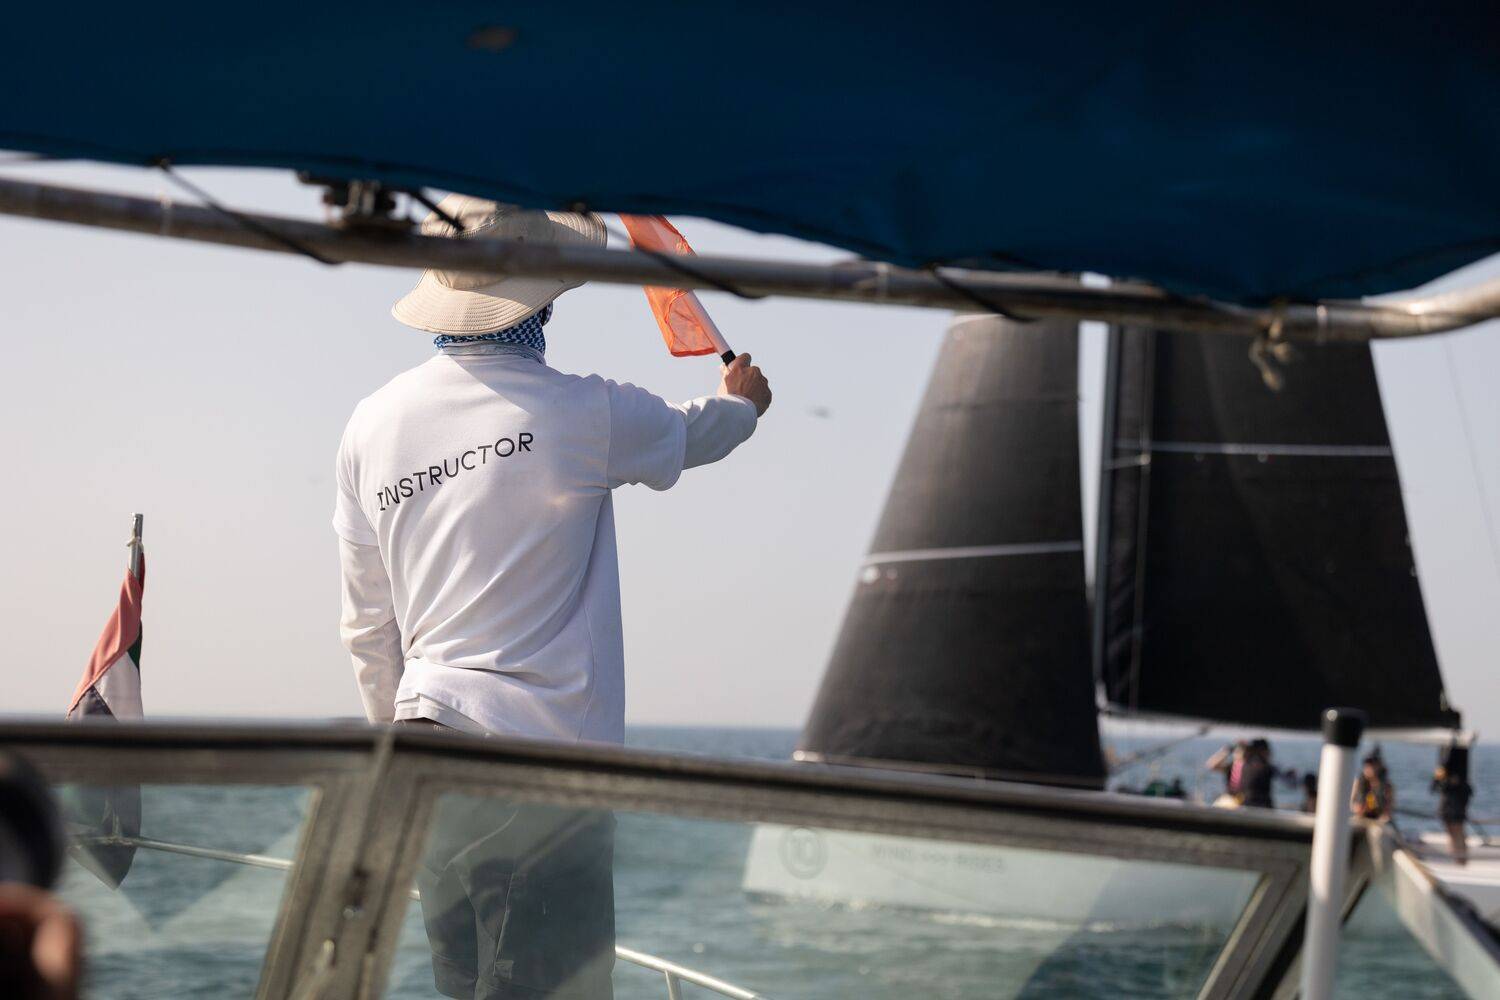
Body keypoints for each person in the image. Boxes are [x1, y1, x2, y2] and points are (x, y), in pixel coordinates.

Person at [334, 197, 771, 1000]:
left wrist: (397, 757)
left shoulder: (369, 425)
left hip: (424, 759)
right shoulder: (583, 412)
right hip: (542, 777)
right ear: (541, 299)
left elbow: (367, 626)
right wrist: (744, 400)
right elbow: (698, 431)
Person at [1432, 746, 1474, 865]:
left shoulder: (1458, 745)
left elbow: (1453, 771)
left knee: (1456, 826)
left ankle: (1461, 861)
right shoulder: (1447, 745)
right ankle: (1458, 860)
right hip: (1451, 791)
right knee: (1451, 825)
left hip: (1456, 793)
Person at [1351, 755, 1395, 822]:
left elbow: (1389, 808)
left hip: (1379, 819)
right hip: (1360, 816)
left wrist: (1384, 817)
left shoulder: (1387, 786)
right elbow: (1352, 803)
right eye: (1366, 766)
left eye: (1372, 766)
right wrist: (1357, 808)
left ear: (1378, 767)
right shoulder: (1358, 783)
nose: (1368, 769)